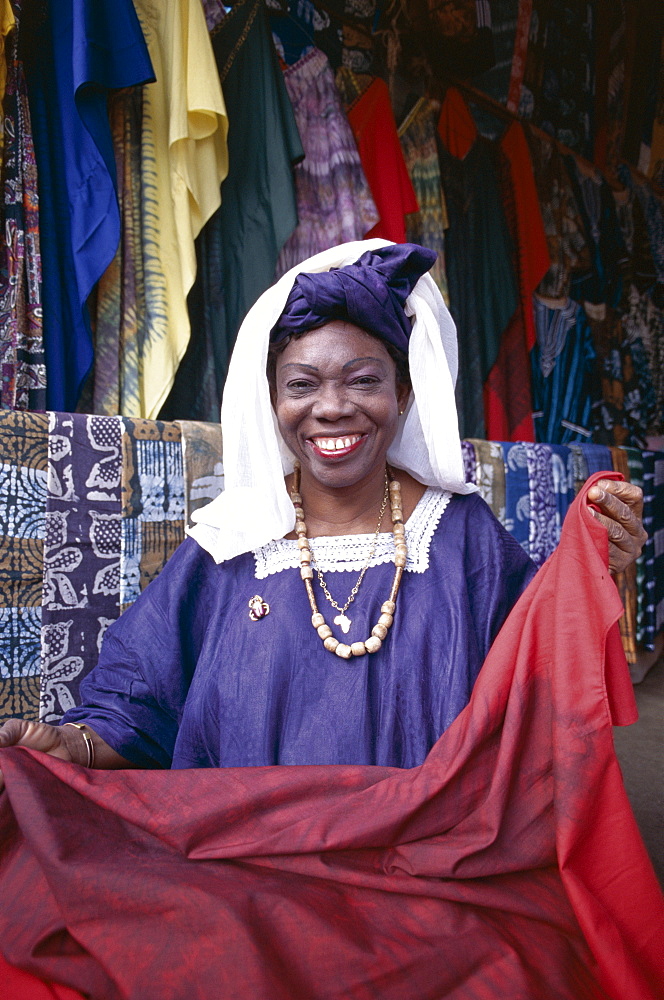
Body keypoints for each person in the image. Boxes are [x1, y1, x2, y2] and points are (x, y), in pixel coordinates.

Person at [0, 240, 647, 779]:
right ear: (273, 401)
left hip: (421, 867)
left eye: (363, 380)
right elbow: (139, 706)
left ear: (403, 393)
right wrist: (74, 746)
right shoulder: (231, 544)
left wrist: (592, 559)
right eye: (301, 384)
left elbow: (539, 671)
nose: (331, 407)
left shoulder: (461, 535)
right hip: (248, 870)